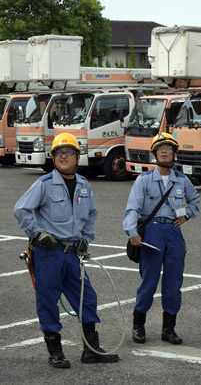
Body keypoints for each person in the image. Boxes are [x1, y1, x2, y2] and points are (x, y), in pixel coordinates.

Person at [13, 133, 119, 369]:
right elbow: (21, 209)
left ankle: (90, 350)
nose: (63, 155)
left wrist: (86, 238)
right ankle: (56, 352)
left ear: (77, 157)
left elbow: (91, 215)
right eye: (59, 152)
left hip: (73, 254)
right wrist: (37, 232)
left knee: (87, 297)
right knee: (48, 301)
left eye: (69, 151)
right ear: (53, 157)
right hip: (48, 254)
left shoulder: (83, 185)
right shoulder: (44, 184)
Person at [123, 132, 200, 345]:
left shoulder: (182, 180)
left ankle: (169, 329)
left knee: (173, 283)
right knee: (149, 282)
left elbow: (195, 200)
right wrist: (132, 232)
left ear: (175, 153)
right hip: (152, 233)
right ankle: (138, 325)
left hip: (174, 233)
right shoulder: (144, 180)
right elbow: (132, 208)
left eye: (168, 148)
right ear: (155, 153)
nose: (164, 151)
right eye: (159, 148)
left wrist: (187, 214)